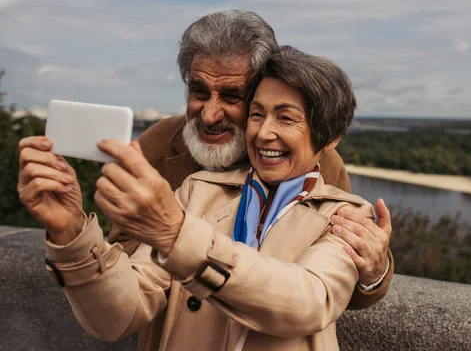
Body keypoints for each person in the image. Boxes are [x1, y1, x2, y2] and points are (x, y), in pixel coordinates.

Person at [19, 47, 384, 350]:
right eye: (256, 114)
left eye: (286, 119)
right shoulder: (197, 190)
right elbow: (117, 316)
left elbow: (307, 300)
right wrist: (69, 232)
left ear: (331, 136)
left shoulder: (346, 213)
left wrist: (176, 234)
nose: (264, 133)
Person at [109, 10, 393, 308]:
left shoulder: (320, 162)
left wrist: (375, 270)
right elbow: (122, 249)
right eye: (199, 92)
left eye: (232, 96)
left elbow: (334, 282)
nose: (209, 114)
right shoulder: (159, 143)